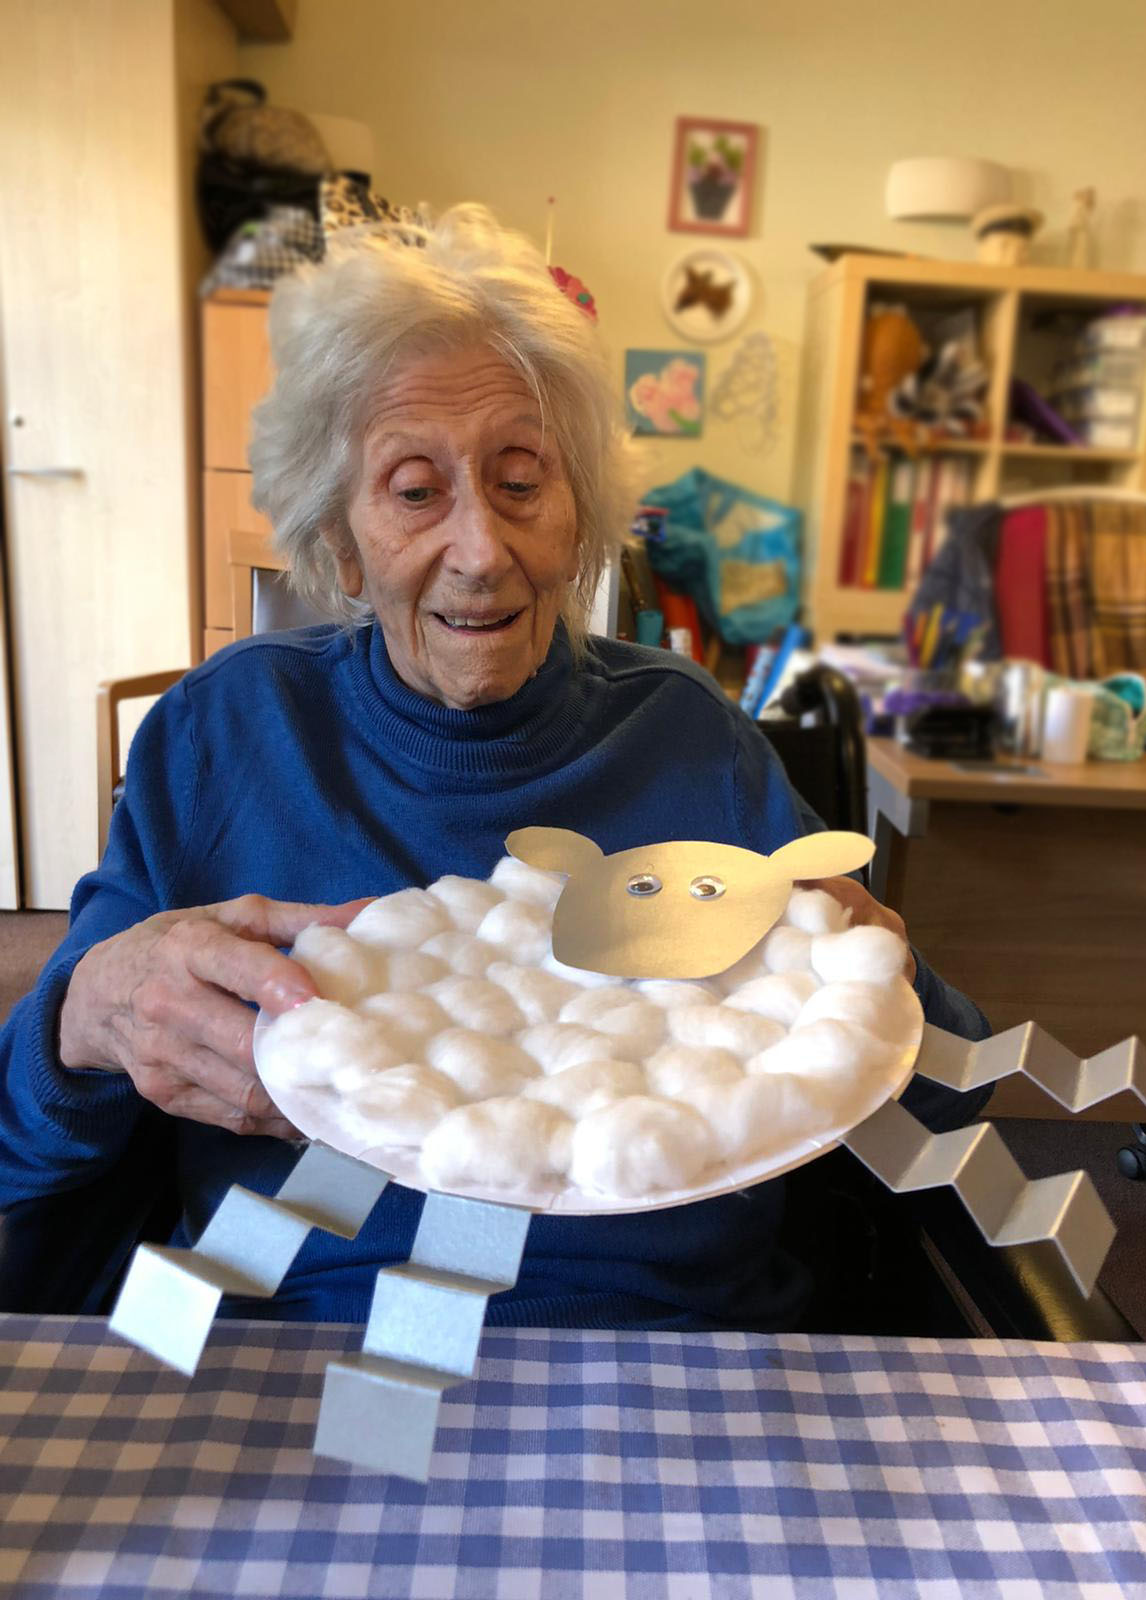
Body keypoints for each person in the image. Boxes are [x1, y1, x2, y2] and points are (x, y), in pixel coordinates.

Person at [0, 206, 989, 1329]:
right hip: (313, 1339)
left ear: (578, 520)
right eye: (416, 491)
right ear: (341, 543)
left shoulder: (685, 732)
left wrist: (892, 982)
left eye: (522, 482)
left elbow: (947, 1094)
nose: (480, 550)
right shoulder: (223, 734)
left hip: (677, 1344)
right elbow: (17, 1140)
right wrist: (86, 1018)